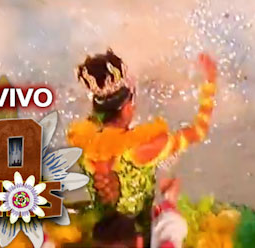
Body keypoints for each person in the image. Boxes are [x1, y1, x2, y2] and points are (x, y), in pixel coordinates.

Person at [67, 51, 217, 247]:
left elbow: (100, 122)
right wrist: (210, 82)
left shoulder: (83, 143)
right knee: (170, 165)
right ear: (127, 107)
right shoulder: (144, 147)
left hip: (105, 237)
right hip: (141, 238)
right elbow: (199, 131)